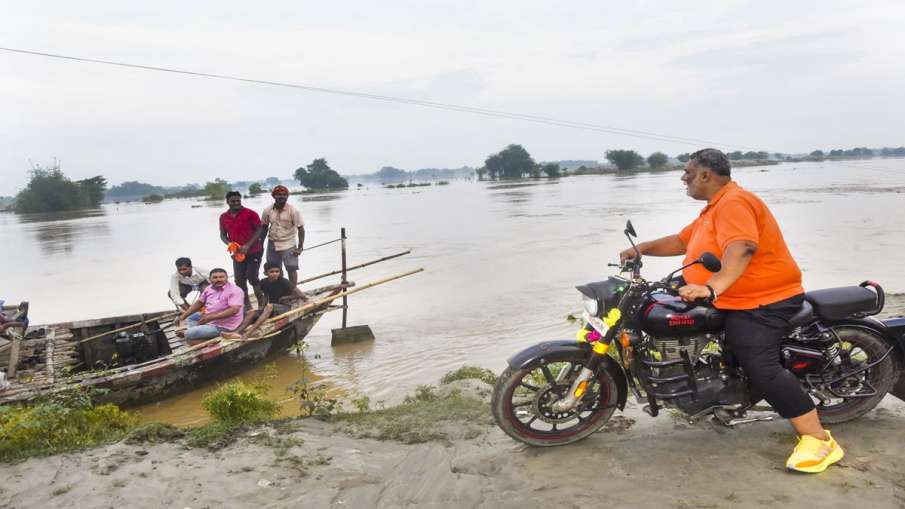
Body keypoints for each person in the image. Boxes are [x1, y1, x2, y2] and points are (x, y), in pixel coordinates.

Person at [619, 148, 843, 474]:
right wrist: (643, 249)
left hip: (767, 299)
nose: (683, 177)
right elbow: (683, 242)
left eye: (688, 172)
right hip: (734, 298)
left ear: (706, 175)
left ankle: (818, 439)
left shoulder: (734, 203)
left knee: (758, 361)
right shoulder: (714, 208)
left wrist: (711, 287)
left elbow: (742, 248)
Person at [222, 262, 307, 340]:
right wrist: (262, 308)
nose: (275, 274)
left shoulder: (284, 281)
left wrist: (284, 298)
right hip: (273, 308)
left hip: (285, 307)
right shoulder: (264, 282)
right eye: (272, 272)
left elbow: (302, 295)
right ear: (266, 273)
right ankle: (235, 332)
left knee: (269, 306)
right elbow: (265, 296)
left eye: (277, 271)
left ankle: (248, 333)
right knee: (252, 312)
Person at [174, 268, 245, 344]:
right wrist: (183, 316)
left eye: (221, 277)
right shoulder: (209, 288)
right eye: (215, 277)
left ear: (227, 278)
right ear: (210, 279)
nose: (218, 279)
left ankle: (203, 335)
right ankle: (201, 333)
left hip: (225, 325)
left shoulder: (235, 290)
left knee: (188, 334)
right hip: (210, 319)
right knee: (191, 316)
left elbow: (234, 310)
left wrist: (210, 317)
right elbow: (199, 303)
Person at [220, 191, 265, 307]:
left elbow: (260, 230)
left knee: (252, 277)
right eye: (233, 201)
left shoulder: (250, 213)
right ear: (227, 202)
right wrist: (229, 244)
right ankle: (247, 306)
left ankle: (262, 304)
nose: (236, 203)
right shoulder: (223, 217)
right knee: (239, 280)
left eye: (238, 201)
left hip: (254, 250)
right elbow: (222, 235)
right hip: (237, 253)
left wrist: (248, 245)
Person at [261, 185, 305, 286]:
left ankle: (292, 291)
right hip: (272, 243)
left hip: (288, 242)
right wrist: (261, 244)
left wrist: (300, 247)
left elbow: (301, 229)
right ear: (274, 196)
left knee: (291, 268)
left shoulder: (293, 211)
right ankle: (279, 290)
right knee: (274, 270)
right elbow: (264, 228)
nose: (282, 197)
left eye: (284, 195)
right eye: (279, 195)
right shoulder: (268, 210)